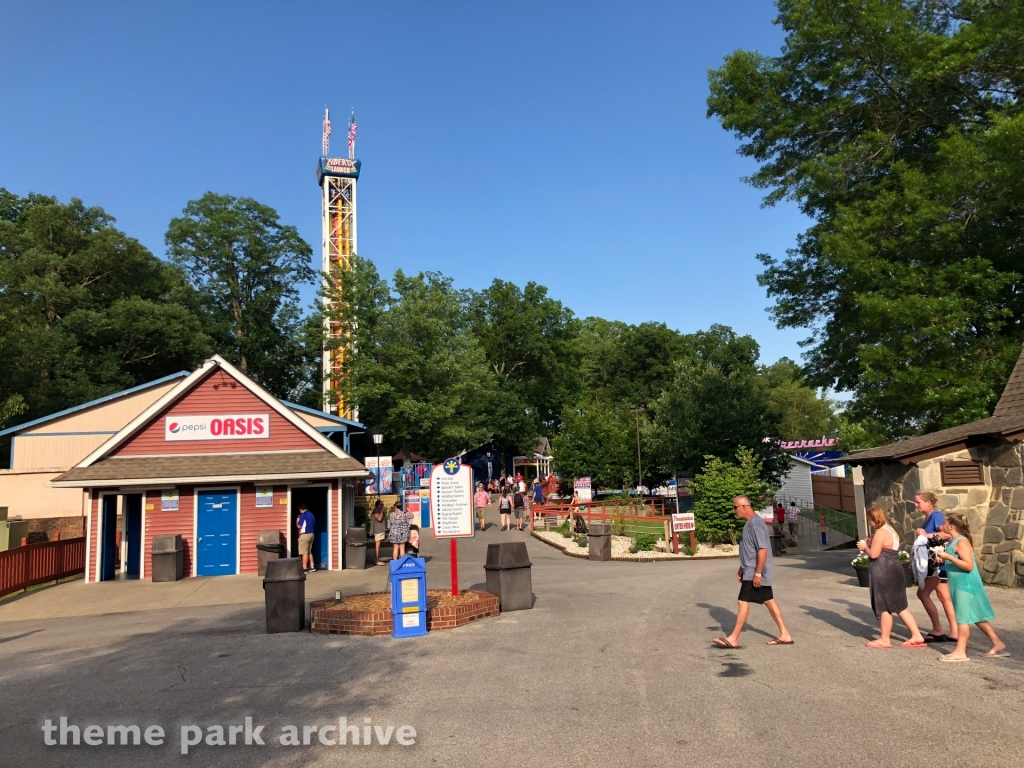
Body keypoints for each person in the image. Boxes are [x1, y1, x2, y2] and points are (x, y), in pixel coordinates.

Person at [713, 496, 793, 648]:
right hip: (750, 570)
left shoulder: (755, 524)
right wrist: (741, 569)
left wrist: (757, 574)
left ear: (744, 506)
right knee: (768, 600)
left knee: (743, 601)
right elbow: (749, 551)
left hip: (755, 572)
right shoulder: (750, 524)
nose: (734, 511)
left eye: (735, 507)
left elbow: (762, 550)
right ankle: (785, 634)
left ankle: (734, 638)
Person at [934, 513, 1009, 661]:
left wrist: (948, 557)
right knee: (976, 616)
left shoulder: (962, 542)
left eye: (943, 523)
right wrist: (944, 560)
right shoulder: (953, 541)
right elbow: (957, 561)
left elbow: (969, 566)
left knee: (963, 617)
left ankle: (960, 652)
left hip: (965, 585)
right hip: (959, 585)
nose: (940, 526)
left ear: (951, 526)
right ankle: (997, 644)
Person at [857, 507, 926, 648]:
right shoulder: (891, 530)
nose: (869, 522)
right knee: (899, 605)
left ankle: (885, 639)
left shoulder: (880, 532)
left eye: (869, 519)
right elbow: (887, 548)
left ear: (874, 519)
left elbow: (874, 554)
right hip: (894, 568)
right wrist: (872, 544)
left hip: (883, 571)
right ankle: (916, 635)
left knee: (884, 605)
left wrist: (864, 547)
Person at [913, 491, 959, 643]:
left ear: (928, 503)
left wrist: (926, 535)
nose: (916, 504)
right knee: (944, 597)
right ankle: (954, 632)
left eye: (918, 502)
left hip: (938, 562)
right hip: (937, 562)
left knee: (923, 594)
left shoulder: (936, 515)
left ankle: (938, 629)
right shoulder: (929, 517)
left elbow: (948, 534)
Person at [296, 505, 316, 572]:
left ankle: (304, 568)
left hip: (305, 535)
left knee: (304, 552)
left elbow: (299, 526)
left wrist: (297, 520)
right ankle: (312, 566)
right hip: (311, 534)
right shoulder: (312, 515)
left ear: (301, 509)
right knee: (309, 551)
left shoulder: (303, 515)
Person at [370, 499, 387, 566]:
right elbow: (379, 519)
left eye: (383, 505)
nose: (382, 506)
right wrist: (382, 512)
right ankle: (377, 560)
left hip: (380, 530)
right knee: (377, 545)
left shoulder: (378, 511)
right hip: (378, 531)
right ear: (377, 506)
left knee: (378, 545)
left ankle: (377, 559)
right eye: (381, 505)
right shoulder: (376, 511)